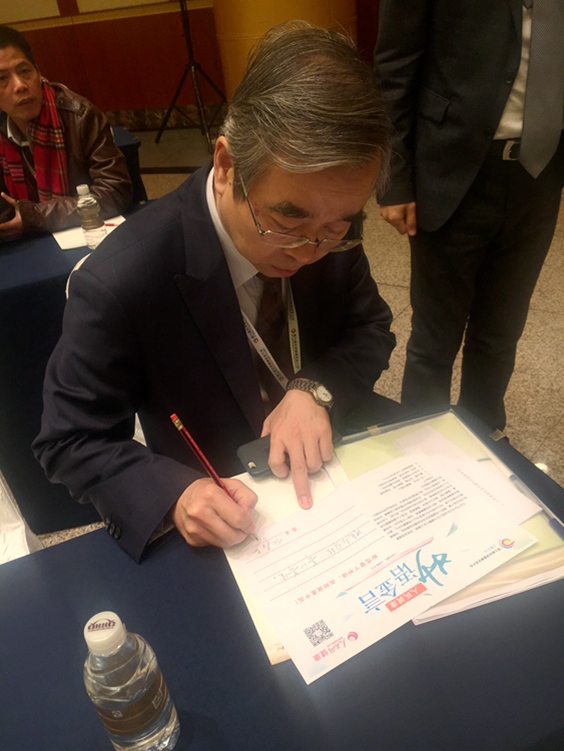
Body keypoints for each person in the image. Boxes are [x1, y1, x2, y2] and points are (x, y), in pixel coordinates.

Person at [33, 22, 398, 562]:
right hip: (222, 499)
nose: (308, 251)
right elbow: (69, 440)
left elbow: (369, 327)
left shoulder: (326, 223)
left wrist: (313, 388)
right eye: (286, 222)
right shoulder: (123, 279)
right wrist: (173, 495)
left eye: (337, 225)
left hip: (336, 461)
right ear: (227, 167)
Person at [374, 0, 564, 430]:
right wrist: (394, 176)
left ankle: (484, 434)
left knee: (501, 331)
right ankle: (423, 442)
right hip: (451, 166)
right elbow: (395, 65)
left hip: (541, 171)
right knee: (436, 335)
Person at [0, 25, 132, 240]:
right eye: (2, 78)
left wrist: (35, 216)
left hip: (85, 235)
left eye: (25, 71)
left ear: (38, 72)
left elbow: (115, 192)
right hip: (25, 240)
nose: (20, 85)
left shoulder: (80, 116)